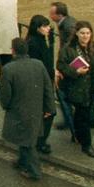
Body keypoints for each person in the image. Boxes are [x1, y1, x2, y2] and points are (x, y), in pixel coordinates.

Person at [0, 38, 57, 181]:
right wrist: (50, 107)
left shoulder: (8, 69)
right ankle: (22, 161)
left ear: (13, 51)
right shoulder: (39, 64)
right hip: (36, 108)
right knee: (27, 137)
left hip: (18, 109)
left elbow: (6, 95)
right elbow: (47, 87)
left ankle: (34, 171)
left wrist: (5, 106)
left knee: (26, 141)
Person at [56, 20, 94, 158]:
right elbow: (61, 66)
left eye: (88, 33)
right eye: (82, 33)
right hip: (76, 88)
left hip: (91, 88)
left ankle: (78, 136)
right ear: (77, 34)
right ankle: (87, 145)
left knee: (81, 114)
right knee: (83, 115)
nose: (85, 36)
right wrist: (76, 71)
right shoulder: (68, 49)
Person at [25, 14, 56, 155]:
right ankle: (40, 141)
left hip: (46, 81)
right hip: (40, 83)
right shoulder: (34, 44)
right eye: (45, 26)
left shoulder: (43, 40)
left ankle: (39, 139)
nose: (48, 28)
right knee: (48, 112)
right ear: (37, 28)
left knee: (46, 112)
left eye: (48, 25)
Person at [49, 1, 77, 131]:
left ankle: (68, 120)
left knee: (62, 91)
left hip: (68, 64)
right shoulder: (68, 22)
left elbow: (70, 47)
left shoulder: (67, 27)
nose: (50, 15)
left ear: (59, 15)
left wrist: (63, 67)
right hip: (70, 63)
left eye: (52, 13)